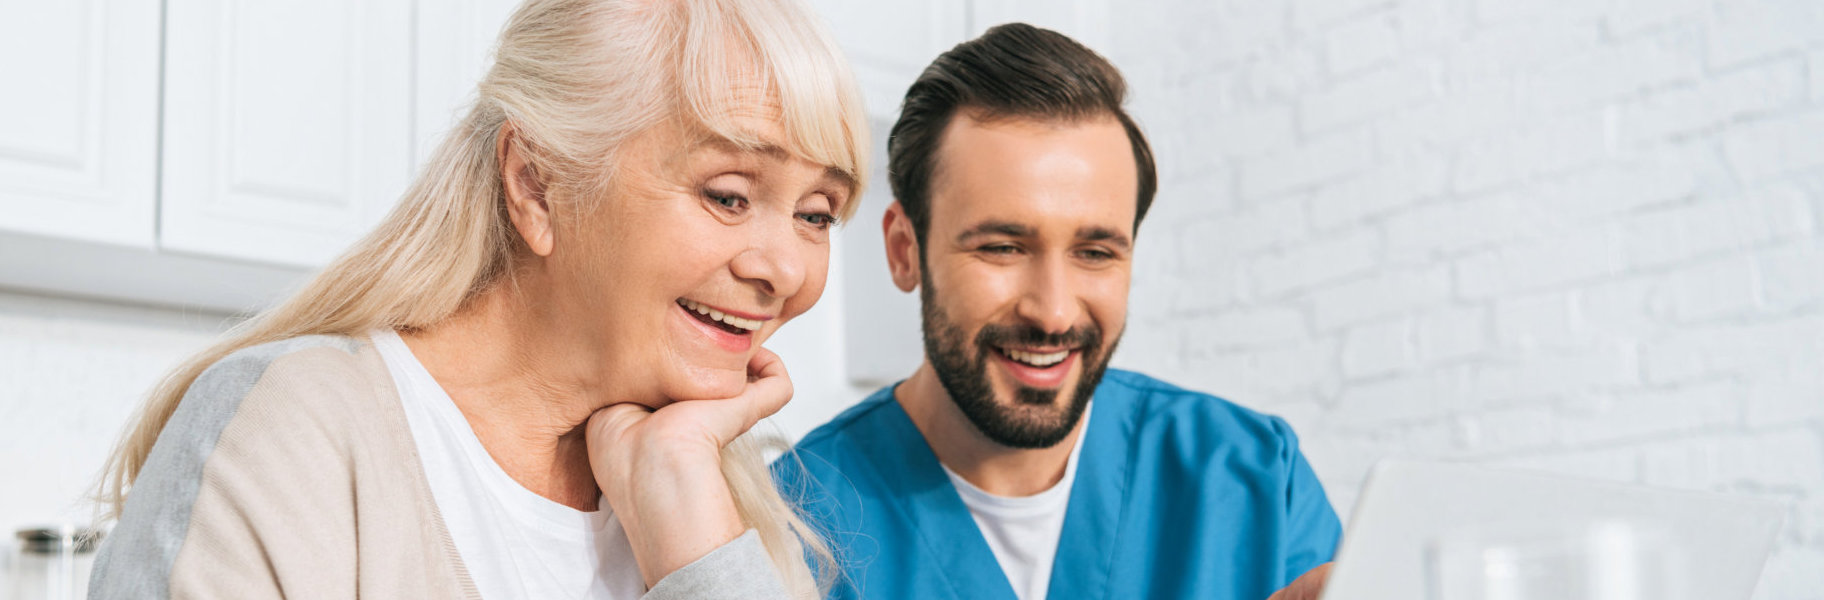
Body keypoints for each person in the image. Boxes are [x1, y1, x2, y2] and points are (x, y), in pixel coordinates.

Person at [88, 0, 868, 597]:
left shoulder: (722, 495)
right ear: (537, 184)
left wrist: (697, 541)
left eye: (816, 215)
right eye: (728, 196)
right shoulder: (301, 432)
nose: (786, 271)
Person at [772, 23, 1340, 600]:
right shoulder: (790, 525)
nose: (1054, 313)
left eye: (1095, 253)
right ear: (903, 250)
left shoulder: (1256, 478)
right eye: (1001, 247)